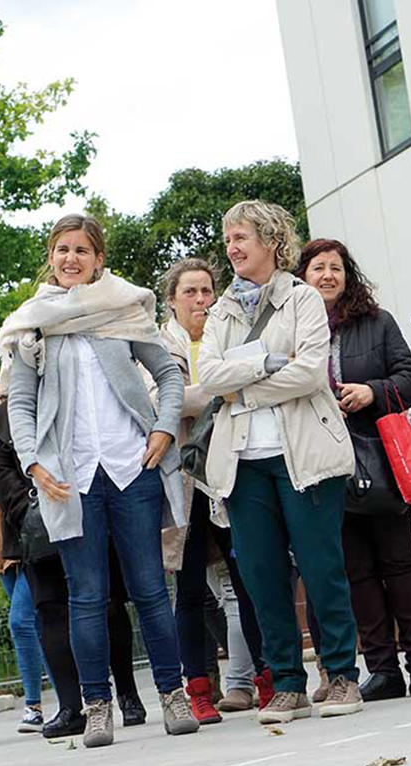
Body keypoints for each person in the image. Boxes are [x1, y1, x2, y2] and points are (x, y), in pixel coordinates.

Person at [0, 213, 199, 748]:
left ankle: (172, 693)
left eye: (82, 251)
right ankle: (96, 707)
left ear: (98, 259)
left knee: (151, 590)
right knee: (86, 597)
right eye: (62, 250)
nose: (71, 259)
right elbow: (18, 401)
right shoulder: (33, 324)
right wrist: (34, 463)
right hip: (71, 479)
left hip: (133, 468)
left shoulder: (124, 308)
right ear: (52, 256)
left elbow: (170, 374)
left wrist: (161, 428)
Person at [197, 200, 362, 725]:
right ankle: (287, 682)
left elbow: (312, 373)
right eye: (228, 239)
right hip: (243, 462)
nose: (233, 247)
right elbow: (209, 378)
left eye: (242, 236)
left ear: (271, 240)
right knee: (263, 578)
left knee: (322, 569)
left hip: (305, 458)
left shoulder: (304, 298)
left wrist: (242, 389)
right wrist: (265, 367)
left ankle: (340, 677)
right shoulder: (221, 310)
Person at [297, 238, 411, 702]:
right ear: (303, 277)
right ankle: (382, 669)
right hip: (324, 465)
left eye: (336, 267)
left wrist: (372, 392)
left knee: (399, 564)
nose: (327, 276)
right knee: (354, 572)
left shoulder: (376, 323)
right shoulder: (294, 329)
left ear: (348, 274)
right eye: (318, 268)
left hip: (379, 459)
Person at [0, 395, 148, 739]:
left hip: (91, 515)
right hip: (38, 529)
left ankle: (128, 695)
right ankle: (72, 707)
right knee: (51, 614)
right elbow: (2, 478)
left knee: (110, 605)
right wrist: (38, 509)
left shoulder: (72, 394)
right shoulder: (1, 422)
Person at [151, 258, 271, 722]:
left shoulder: (231, 335)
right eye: (190, 293)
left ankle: (267, 676)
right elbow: (163, 398)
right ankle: (198, 686)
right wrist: (224, 386)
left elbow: (253, 381)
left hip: (234, 469)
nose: (201, 301)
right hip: (184, 478)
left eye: (207, 291)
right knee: (190, 588)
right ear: (172, 300)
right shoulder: (158, 344)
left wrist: (208, 388)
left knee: (250, 577)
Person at [0, 372, 48, 733]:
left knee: (22, 621)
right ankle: (74, 690)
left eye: (5, 398)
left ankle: (34, 704)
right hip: (2, 550)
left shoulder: (27, 438)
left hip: (32, 540)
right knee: (36, 622)